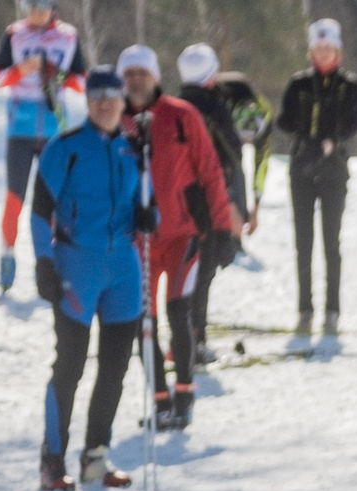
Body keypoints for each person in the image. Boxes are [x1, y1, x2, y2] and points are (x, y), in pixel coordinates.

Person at [32, 65, 152, 491]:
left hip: (123, 268)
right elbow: (39, 211)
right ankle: (53, 460)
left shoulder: (133, 149)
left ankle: (95, 456)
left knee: (115, 367)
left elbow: (142, 200)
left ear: (123, 102)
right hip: (76, 269)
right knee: (70, 365)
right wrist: (44, 262)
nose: (105, 103)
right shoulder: (64, 147)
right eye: (97, 96)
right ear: (88, 101)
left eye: (112, 96)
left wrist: (146, 214)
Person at [120, 45, 235, 431]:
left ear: (155, 76)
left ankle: (185, 396)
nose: (136, 80)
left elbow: (211, 171)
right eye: (129, 74)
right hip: (137, 241)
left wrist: (223, 228)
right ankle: (161, 400)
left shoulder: (181, 115)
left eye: (143, 73)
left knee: (178, 312)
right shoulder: (116, 119)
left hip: (183, 234)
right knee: (143, 321)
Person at [173, 43, 268, 364]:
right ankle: (195, 340)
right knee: (204, 271)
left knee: (180, 269)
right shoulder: (216, 107)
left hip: (177, 200)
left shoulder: (172, 105)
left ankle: (178, 337)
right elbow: (233, 153)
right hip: (209, 199)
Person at [0, 3, 85, 293]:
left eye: (40, 6)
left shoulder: (68, 36)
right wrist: (22, 70)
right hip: (20, 129)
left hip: (54, 128)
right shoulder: (15, 34)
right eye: (28, 6)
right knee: (14, 198)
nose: (35, 13)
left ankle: (52, 260)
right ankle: (7, 256)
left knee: (53, 200)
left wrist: (54, 74)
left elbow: (81, 82)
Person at [277, 18, 357, 335]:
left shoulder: (349, 85)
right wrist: (304, 137)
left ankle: (333, 310)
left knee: (330, 239)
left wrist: (330, 142)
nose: (323, 54)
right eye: (318, 48)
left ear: (337, 49)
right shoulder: (298, 84)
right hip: (302, 166)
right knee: (303, 241)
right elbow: (284, 121)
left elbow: (352, 124)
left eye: (329, 48)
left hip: (334, 168)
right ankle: (304, 308)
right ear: (311, 51)